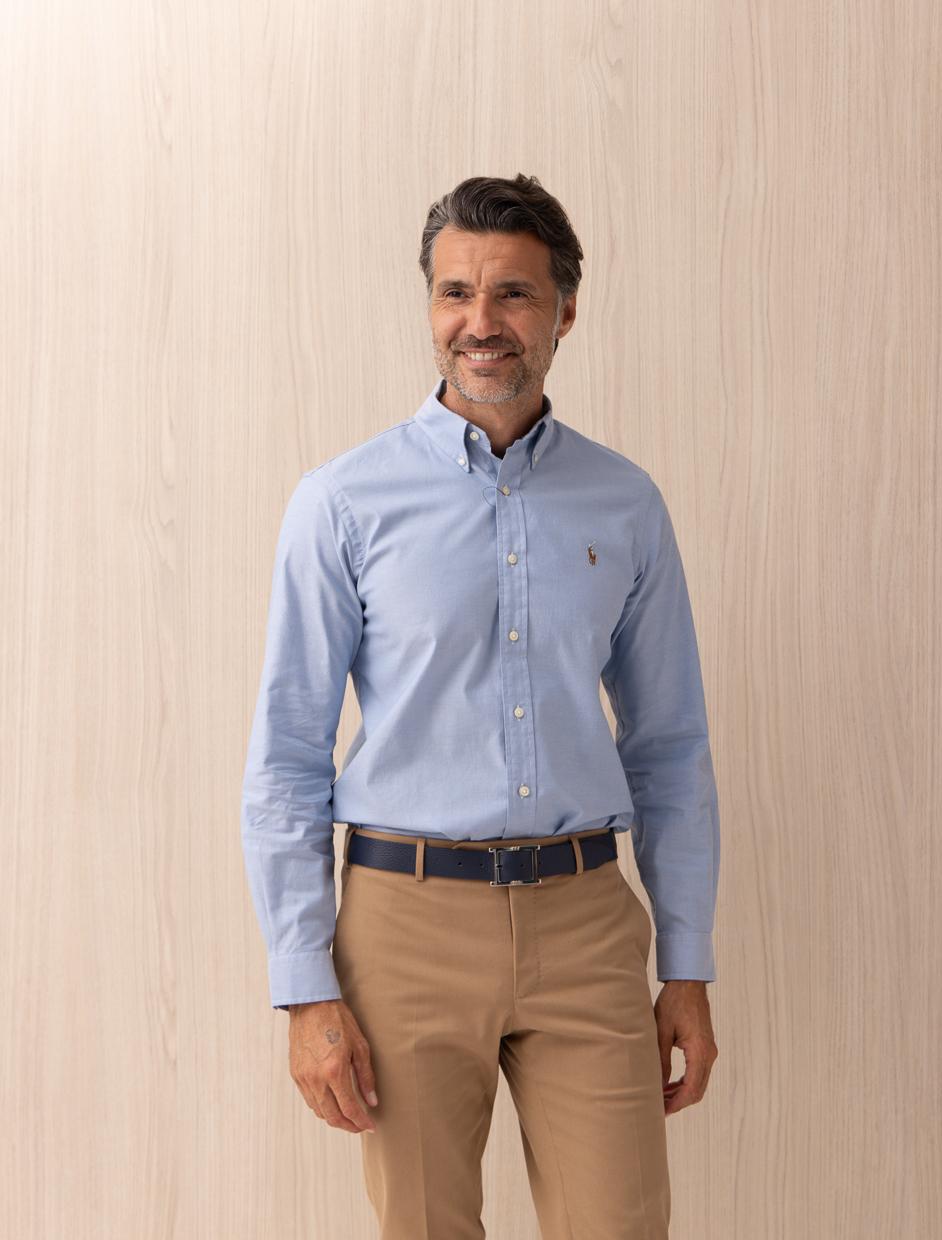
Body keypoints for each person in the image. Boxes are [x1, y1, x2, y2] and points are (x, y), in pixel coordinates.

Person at [240, 173, 720, 1239]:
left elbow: (670, 748)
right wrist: (304, 987)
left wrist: (686, 965)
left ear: (564, 311)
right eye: (454, 292)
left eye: (512, 293)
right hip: (402, 925)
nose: (480, 321)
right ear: (429, 306)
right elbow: (286, 756)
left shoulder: (625, 504)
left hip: (585, 922)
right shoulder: (342, 503)